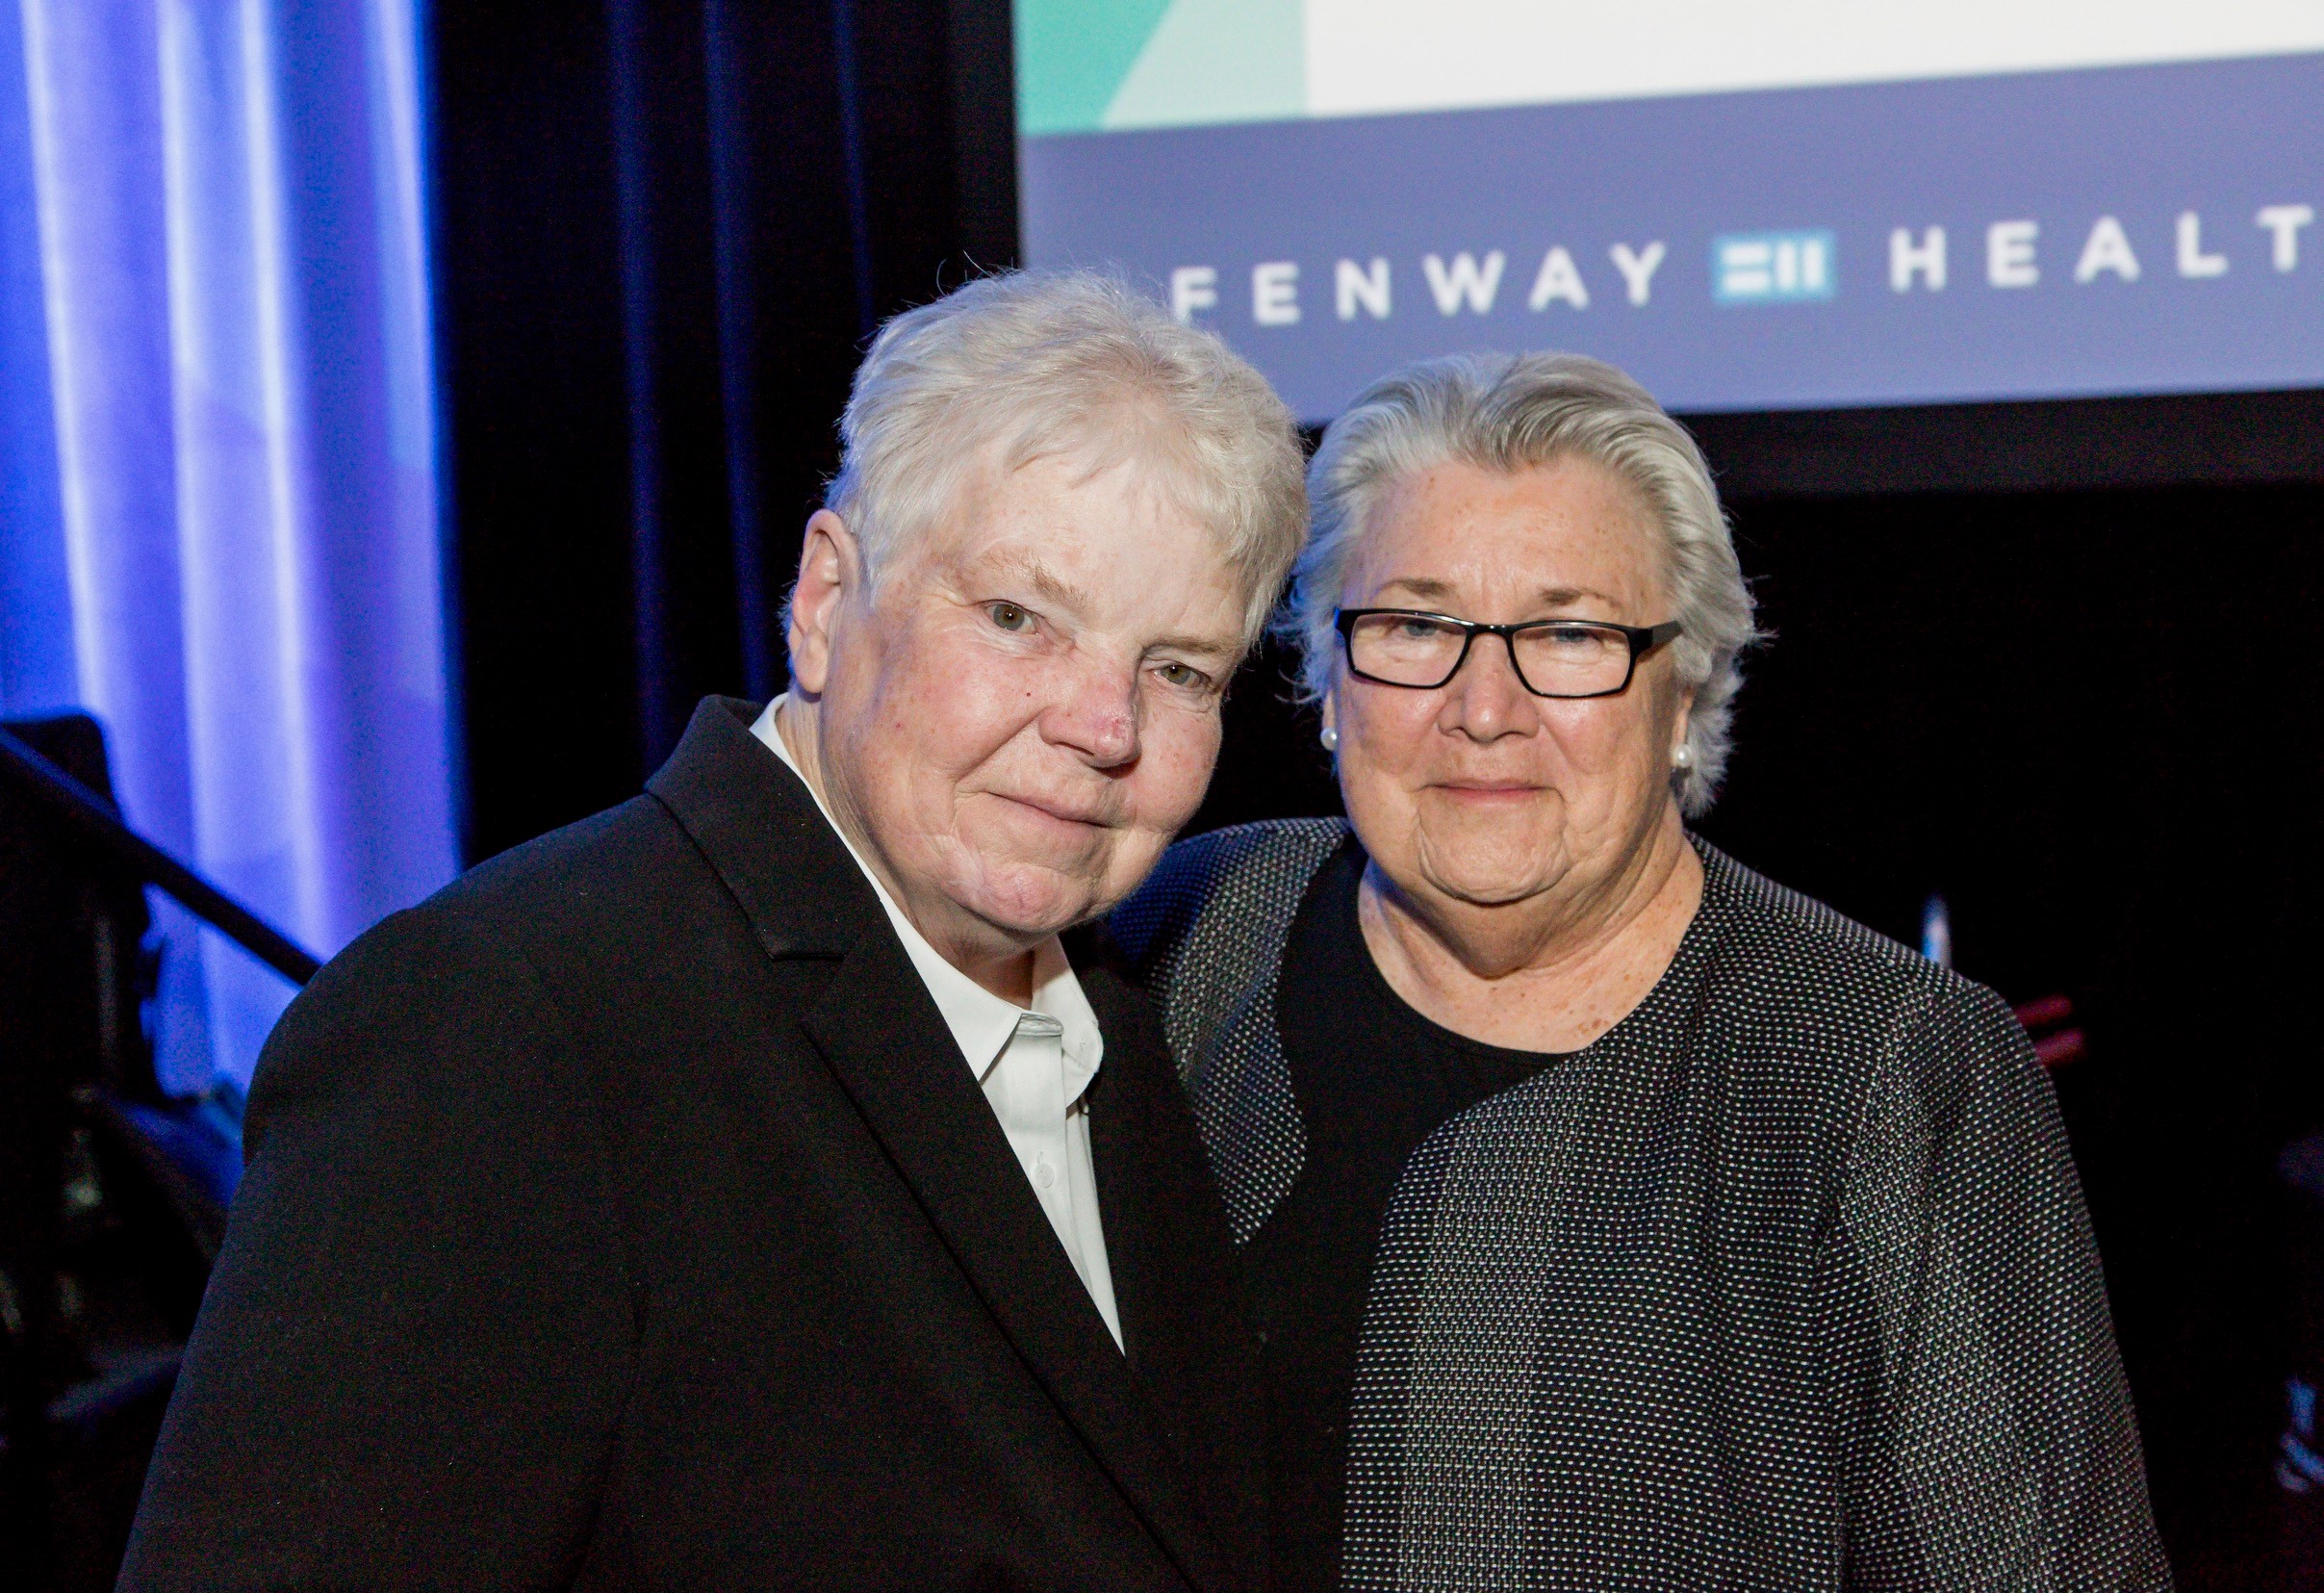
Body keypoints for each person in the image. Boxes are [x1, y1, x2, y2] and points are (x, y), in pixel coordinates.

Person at [120, 271, 1306, 1589]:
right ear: (821, 598)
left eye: (1177, 667)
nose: (1102, 723)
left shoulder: (1145, 1015)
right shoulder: (498, 1023)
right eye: (1018, 616)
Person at [1111, 351, 2172, 1590]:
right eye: (1413, 624)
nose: (1484, 706)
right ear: (1328, 680)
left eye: (1568, 632)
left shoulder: (1884, 1065)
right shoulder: (1191, 931)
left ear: (1683, 695)